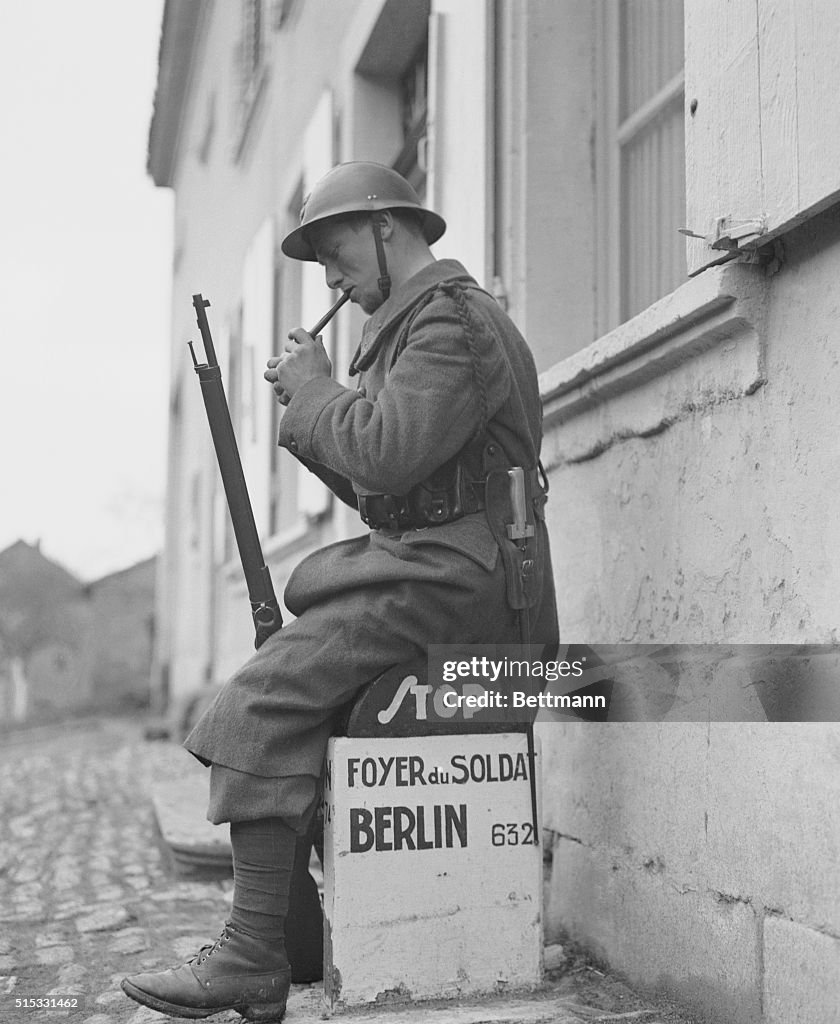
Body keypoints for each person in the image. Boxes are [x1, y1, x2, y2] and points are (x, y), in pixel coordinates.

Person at [121, 162, 558, 1022]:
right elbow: (385, 488)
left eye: (335, 252)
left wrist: (322, 392)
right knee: (290, 686)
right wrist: (312, 407)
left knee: (260, 699)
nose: (329, 279)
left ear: (388, 228)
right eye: (319, 262)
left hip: (468, 584)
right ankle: (296, 941)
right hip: (442, 568)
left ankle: (253, 958)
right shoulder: (418, 329)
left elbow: (388, 452)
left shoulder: (451, 323)